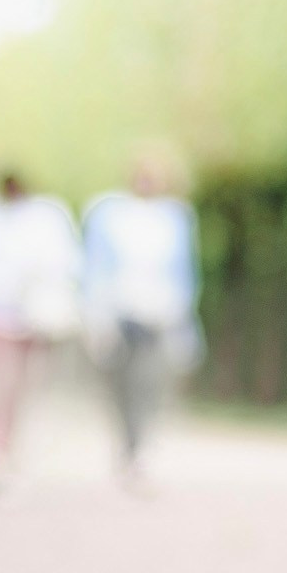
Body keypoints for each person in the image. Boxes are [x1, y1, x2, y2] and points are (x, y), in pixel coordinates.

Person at [0, 173, 81, 484]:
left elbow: (65, 262)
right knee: (5, 385)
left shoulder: (46, 217)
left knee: (25, 385)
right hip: (0, 318)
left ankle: (12, 447)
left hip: (35, 318)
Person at [81, 155, 199, 486]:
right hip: (119, 313)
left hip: (159, 314)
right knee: (120, 385)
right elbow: (95, 265)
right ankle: (127, 444)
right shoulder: (109, 213)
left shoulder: (176, 217)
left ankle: (142, 448)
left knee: (150, 382)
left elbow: (185, 269)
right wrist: (95, 314)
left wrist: (184, 317)